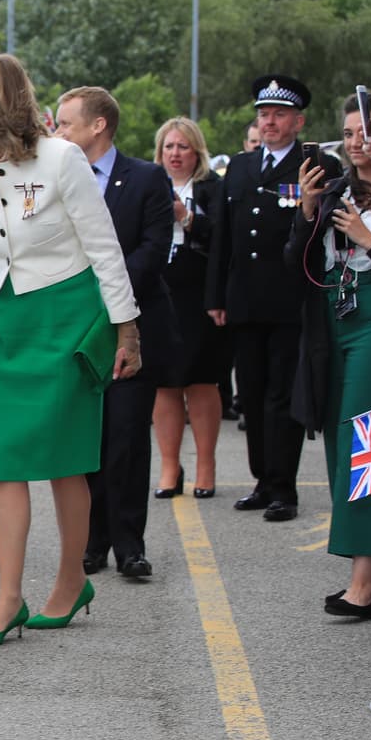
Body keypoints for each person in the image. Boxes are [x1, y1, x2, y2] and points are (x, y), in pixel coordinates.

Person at [0, 53, 140, 646]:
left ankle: (67, 582)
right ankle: (8, 598)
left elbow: (104, 247)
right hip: (4, 323)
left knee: (63, 461)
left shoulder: (63, 158)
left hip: (66, 316)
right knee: (5, 463)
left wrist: (126, 329)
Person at [291, 92, 371, 620]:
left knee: (368, 444)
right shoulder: (337, 189)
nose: (356, 140)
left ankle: (362, 582)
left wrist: (368, 238)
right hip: (333, 319)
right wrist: (307, 213)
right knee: (343, 446)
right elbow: (297, 264)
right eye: (348, 131)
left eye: (367, 130)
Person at [55, 86, 175, 579]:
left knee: (126, 438)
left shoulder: (146, 178)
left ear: (97, 125)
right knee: (87, 438)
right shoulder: (56, 180)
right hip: (76, 329)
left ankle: (130, 545)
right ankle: (91, 541)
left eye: (65, 123)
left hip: (132, 327)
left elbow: (154, 248)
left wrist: (107, 287)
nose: (58, 132)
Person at [208, 75, 330, 523]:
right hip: (244, 299)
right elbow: (223, 235)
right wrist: (215, 295)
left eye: (279, 115)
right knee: (252, 394)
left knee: (282, 394)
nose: (270, 122)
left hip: (289, 299)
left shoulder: (315, 165)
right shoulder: (240, 167)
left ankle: (284, 486)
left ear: (298, 121)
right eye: (264, 115)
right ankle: (261, 479)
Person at [150, 118, 229, 501]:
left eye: (182, 147)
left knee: (200, 380)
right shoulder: (150, 182)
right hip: (161, 289)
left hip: (200, 293)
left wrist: (186, 216)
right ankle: (169, 465)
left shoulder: (212, 187)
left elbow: (222, 236)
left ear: (196, 150)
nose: (175, 154)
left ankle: (206, 465)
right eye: (169, 147)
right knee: (165, 382)